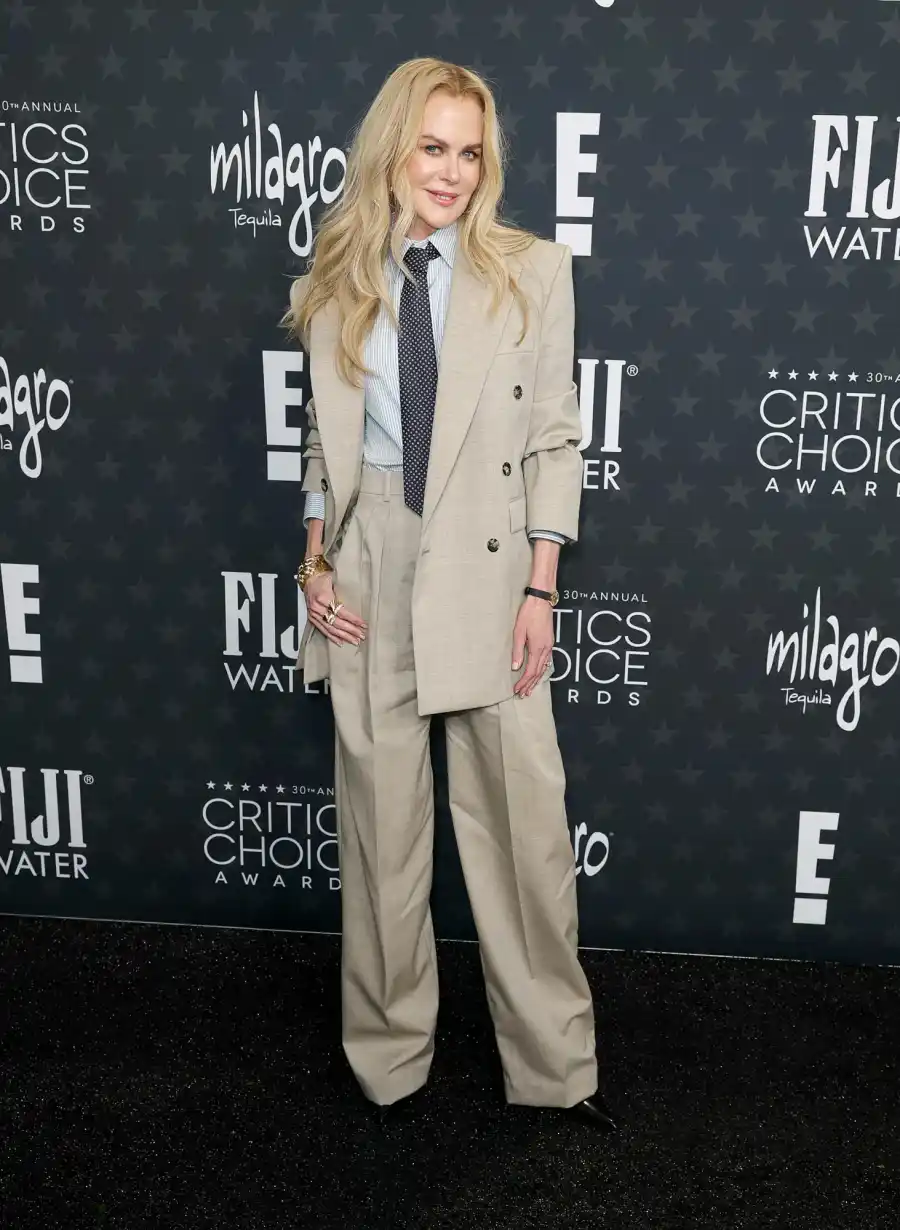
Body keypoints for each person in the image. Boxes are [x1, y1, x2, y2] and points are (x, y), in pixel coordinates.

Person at [281, 57, 618, 1133]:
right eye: (432, 147)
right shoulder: (339, 276)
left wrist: (540, 588)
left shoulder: (534, 271)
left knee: (524, 833)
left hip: (488, 558)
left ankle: (555, 1072)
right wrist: (316, 561)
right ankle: (387, 1061)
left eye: (470, 153)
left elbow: (559, 439)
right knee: (381, 833)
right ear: (392, 148)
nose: (453, 172)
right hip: (372, 554)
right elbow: (323, 451)